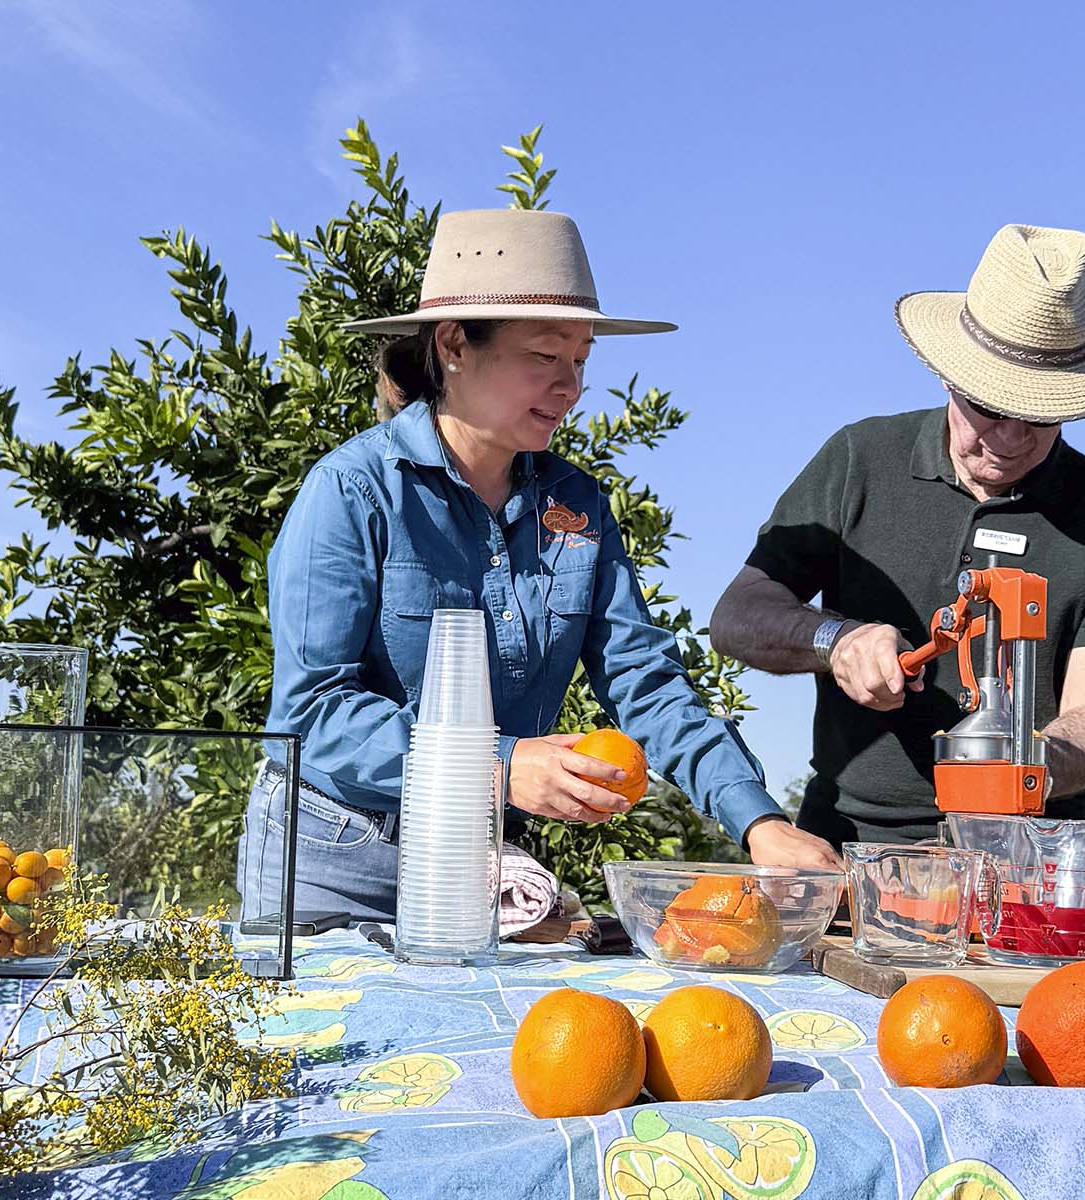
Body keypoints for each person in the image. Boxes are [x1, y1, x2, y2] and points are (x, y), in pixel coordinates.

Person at [238, 208, 840, 921]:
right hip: (332, 860)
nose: (571, 387)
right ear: (455, 344)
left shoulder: (577, 506)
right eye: (545, 356)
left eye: (582, 361)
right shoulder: (352, 491)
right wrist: (500, 764)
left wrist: (758, 822)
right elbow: (312, 712)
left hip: (478, 859)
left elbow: (644, 682)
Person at [710, 224, 1085, 847]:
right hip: (852, 846)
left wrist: (1033, 764)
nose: (1008, 439)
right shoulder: (859, 458)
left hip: (1036, 856)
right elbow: (737, 616)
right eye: (990, 407)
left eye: (1038, 415)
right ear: (949, 376)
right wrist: (833, 639)